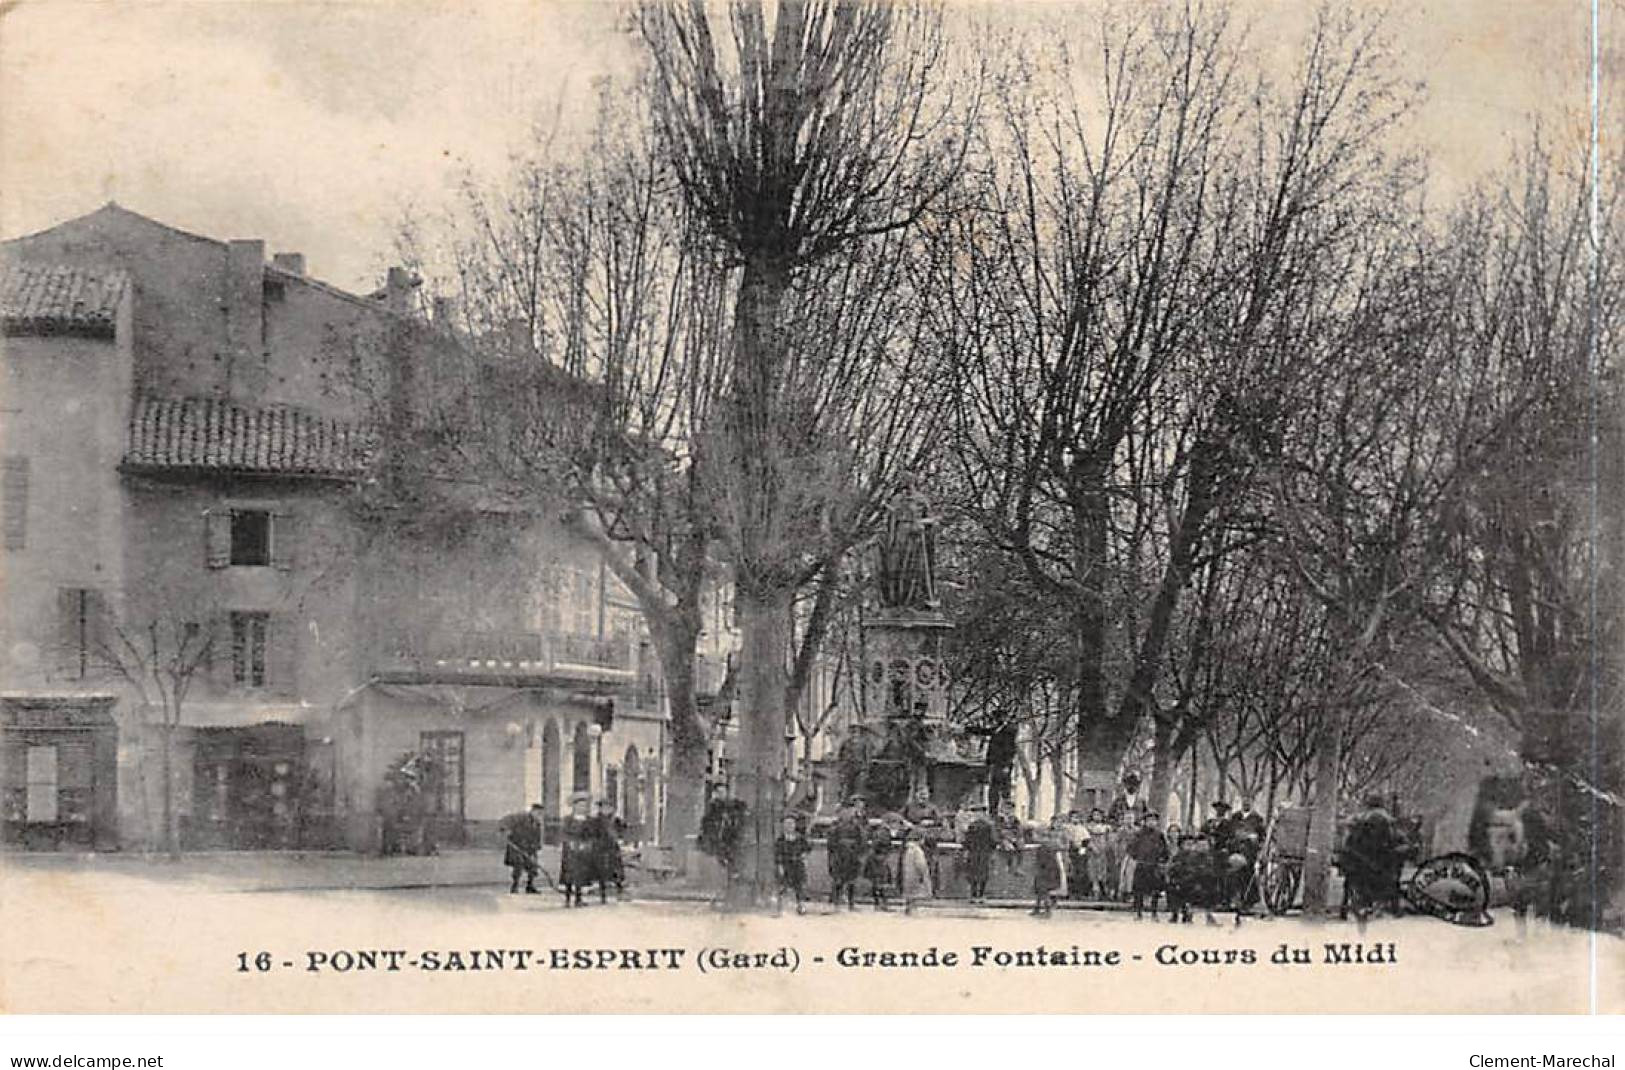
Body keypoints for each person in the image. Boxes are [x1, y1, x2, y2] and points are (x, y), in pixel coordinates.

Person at [1341, 794, 1403, 920]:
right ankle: (1393, 906)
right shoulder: (1386, 818)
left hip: (1357, 857)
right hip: (1378, 857)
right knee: (1392, 876)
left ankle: (1348, 906)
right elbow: (1391, 839)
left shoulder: (1359, 817)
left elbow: (1350, 838)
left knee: (1354, 881)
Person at [697, 782, 748, 903]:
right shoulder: (713, 808)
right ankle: (722, 893)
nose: (721, 795)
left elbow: (741, 818)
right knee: (721, 869)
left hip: (732, 841)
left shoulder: (735, 805)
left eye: (723, 792)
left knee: (733, 868)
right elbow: (707, 824)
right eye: (718, 792)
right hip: (719, 842)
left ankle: (732, 894)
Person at [1165, 831, 1219, 925]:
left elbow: (1213, 871)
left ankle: (1208, 915)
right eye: (1200, 845)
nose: (1203, 847)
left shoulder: (1209, 857)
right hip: (1189, 882)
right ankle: (1180, 913)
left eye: (1205, 845)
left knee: (1211, 889)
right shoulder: (1188, 857)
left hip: (1203, 882)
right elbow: (1183, 870)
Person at [827, 797, 870, 910]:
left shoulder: (854, 823)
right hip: (844, 853)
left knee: (848, 878)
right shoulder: (841, 824)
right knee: (843, 878)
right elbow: (831, 840)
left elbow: (862, 838)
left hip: (848, 853)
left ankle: (845, 903)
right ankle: (840, 902)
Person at [1128, 811, 1170, 920]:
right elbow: (1131, 848)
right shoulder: (1139, 834)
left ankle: (1154, 913)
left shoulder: (1159, 835)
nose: (1151, 823)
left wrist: (1161, 860)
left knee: (1155, 890)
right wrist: (1137, 857)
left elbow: (1165, 850)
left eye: (1154, 820)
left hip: (1154, 865)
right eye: (1149, 820)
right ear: (1145, 822)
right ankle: (1138, 912)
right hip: (1142, 865)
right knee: (1139, 891)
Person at [559, 793, 596, 908]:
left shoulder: (589, 820)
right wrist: (568, 842)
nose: (582, 808)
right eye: (579, 806)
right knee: (569, 874)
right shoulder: (568, 819)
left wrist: (587, 844)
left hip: (583, 850)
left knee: (581, 874)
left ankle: (579, 898)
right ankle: (567, 898)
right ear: (574, 806)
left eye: (584, 806)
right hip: (570, 850)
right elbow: (563, 833)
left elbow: (592, 835)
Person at [499, 803, 545, 895]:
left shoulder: (537, 823)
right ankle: (514, 886)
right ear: (532, 811)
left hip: (529, 847)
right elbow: (505, 821)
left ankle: (530, 886)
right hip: (516, 845)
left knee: (533, 865)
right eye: (537, 812)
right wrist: (505, 830)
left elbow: (538, 837)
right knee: (518, 864)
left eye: (541, 813)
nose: (539, 815)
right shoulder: (521, 816)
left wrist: (536, 847)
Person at [589, 798, 625, 903]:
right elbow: (592, 833)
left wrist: (620, 837)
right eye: (604, 807)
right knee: (601, 871)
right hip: (600, 848)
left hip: (613, 848)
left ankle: (620, 890)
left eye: (609, 807)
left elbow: (621, 831)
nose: (607, 809)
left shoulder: (616, 820)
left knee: (616, 870)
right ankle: (603, 894)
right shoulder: (595, 821)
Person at [774, 815, 812, 915]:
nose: (789, 826)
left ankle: (801, 905)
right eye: (787, 824)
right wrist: (780, 865)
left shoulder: (800, 838)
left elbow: (807, 848)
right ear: (783, 826)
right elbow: (778, 854)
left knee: (800, 885)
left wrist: (804, 856)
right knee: (783, 885)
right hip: (786, 864)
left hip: (798, 863)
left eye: (791, 824)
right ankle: (781, 907)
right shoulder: (780, 840)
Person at [960, 804, 996, 903]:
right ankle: (980, 895)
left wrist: (966, 850)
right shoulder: (988, 826)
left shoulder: (972, 826)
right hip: (983, 853)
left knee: (974, 874)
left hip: (976, 852)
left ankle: (975, 895)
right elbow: (993, 841)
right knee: (981, 874)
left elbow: (966, 841)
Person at [900, 827, 933, 915]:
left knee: (909, 892)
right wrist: (924, 873)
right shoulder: (917, 850)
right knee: (915, 892)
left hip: (908, 872)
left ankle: (908, 908)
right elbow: (920, 863)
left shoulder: (908, 849)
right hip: (915, 874)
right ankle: (912, 909)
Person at [1032, 827, 1064, 917]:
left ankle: (1047, 910)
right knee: (1040, 891)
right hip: (1049, 871)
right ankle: (1037, 908)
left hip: (1045, 872)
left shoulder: (1044, 847)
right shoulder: (1049, 845)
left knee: (1043, 891)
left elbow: (1043, 861)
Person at [864, 821, 896, 910]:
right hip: (879, 859)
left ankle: (878, 903)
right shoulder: (884, 833)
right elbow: (883, 845)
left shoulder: (876, 834)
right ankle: (882, 903)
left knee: (876, 882)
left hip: (875, 858)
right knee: (881, 882)